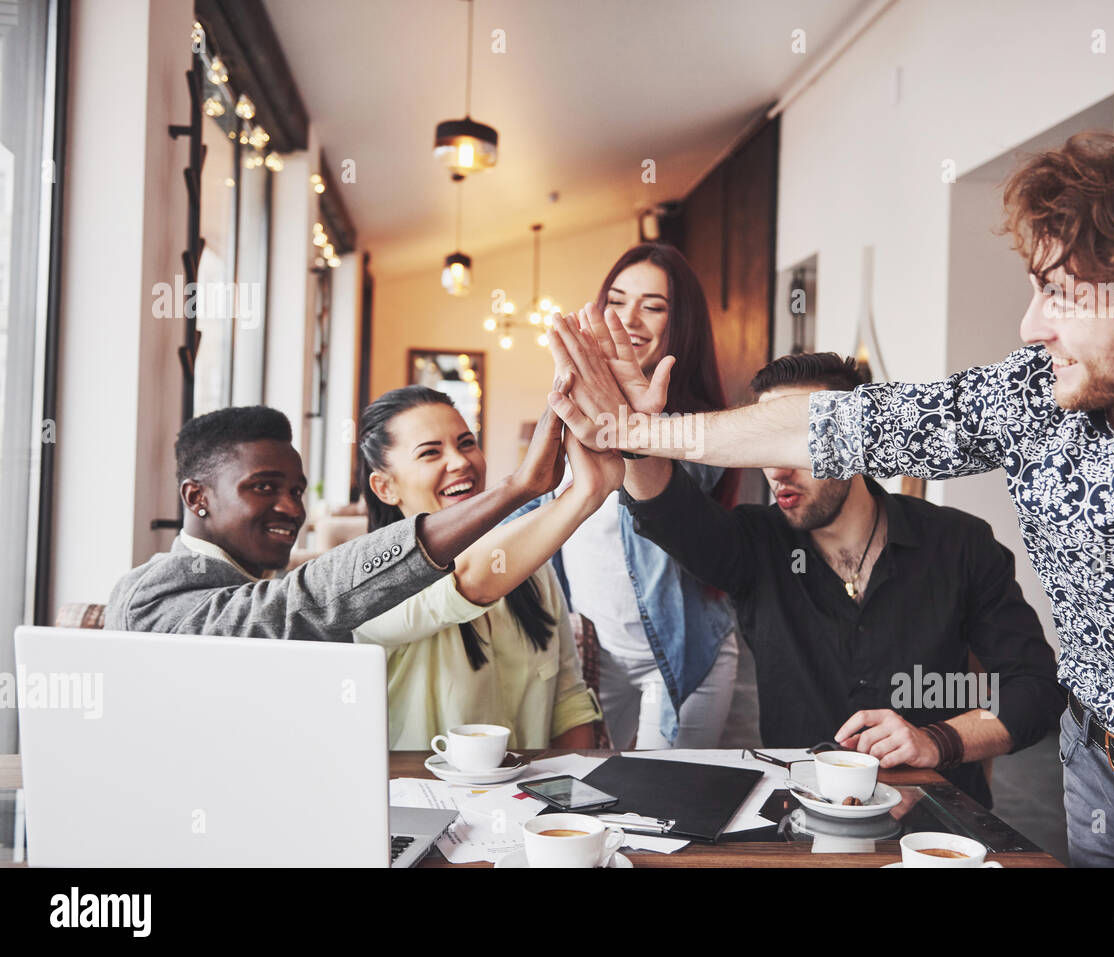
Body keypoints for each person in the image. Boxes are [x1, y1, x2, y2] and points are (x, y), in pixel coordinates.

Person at [547, 133, 1114, 867]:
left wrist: (939, 737)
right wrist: (636, 428)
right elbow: (836, 422)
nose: (1031, 325)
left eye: (1061, 296)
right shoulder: (1036, 390)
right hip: (1096, 772)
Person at [617, 351, 1063, 807]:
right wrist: (635, 435)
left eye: (794, 443)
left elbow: (1036, 688)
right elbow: (667, 509)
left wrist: (937, 740)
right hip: (802, 817)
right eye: (763, 448)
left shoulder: (959, 543)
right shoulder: (755, 546)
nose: (777, 469)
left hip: (936, 816)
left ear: (855, 439)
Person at [514, 243, 741, 750]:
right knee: (601, 792)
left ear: (680, 323)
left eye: (653, 305)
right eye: (616, 301)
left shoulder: (692, 427)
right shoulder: (578, 408)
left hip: (683, 655)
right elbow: (533, 506)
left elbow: (666, 499)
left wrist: (630, 418)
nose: (630, 318)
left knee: (668, 803)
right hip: (595, 651)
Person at [107, 403, 565, 642]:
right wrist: (517, 488)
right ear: (196, 497)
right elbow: (302, 602)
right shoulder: (154, 594)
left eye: (297, 490)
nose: (291, 508)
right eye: (264, 487)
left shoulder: (261, 576)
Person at [353, 385, 617, 751]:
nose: (461, 462)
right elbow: (470, 580)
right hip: (425, 799)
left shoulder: (533, 566)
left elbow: (568, 703)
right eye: (430, 453)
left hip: (529, 795)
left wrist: (573, 790)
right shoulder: (367, 583)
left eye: (466, 443)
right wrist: (581, 494)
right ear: (385, 487)